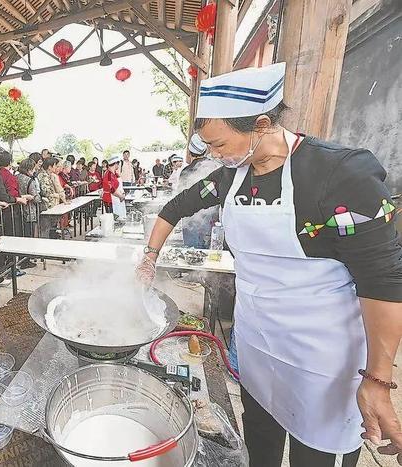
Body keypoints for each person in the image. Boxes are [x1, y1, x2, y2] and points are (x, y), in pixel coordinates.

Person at [138, 62, 402, 467]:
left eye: (219, 144)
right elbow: (177, 206)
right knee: (259, 444)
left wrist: (379, 379)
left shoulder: (340, 172)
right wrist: (149, 257)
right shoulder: (230, 177)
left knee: (313, 458)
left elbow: (383, 281)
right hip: (257, 343)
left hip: (321, 358)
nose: (212, 154)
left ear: (261, 124)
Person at [16, 158, 42, 241]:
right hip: (29, 212)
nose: (34, 171)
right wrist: (36, 197)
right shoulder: (30, 180)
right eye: (33, 168)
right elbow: (36, 198)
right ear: (29, 169)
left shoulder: (15, 177)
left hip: (17, 211)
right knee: (30, 235)